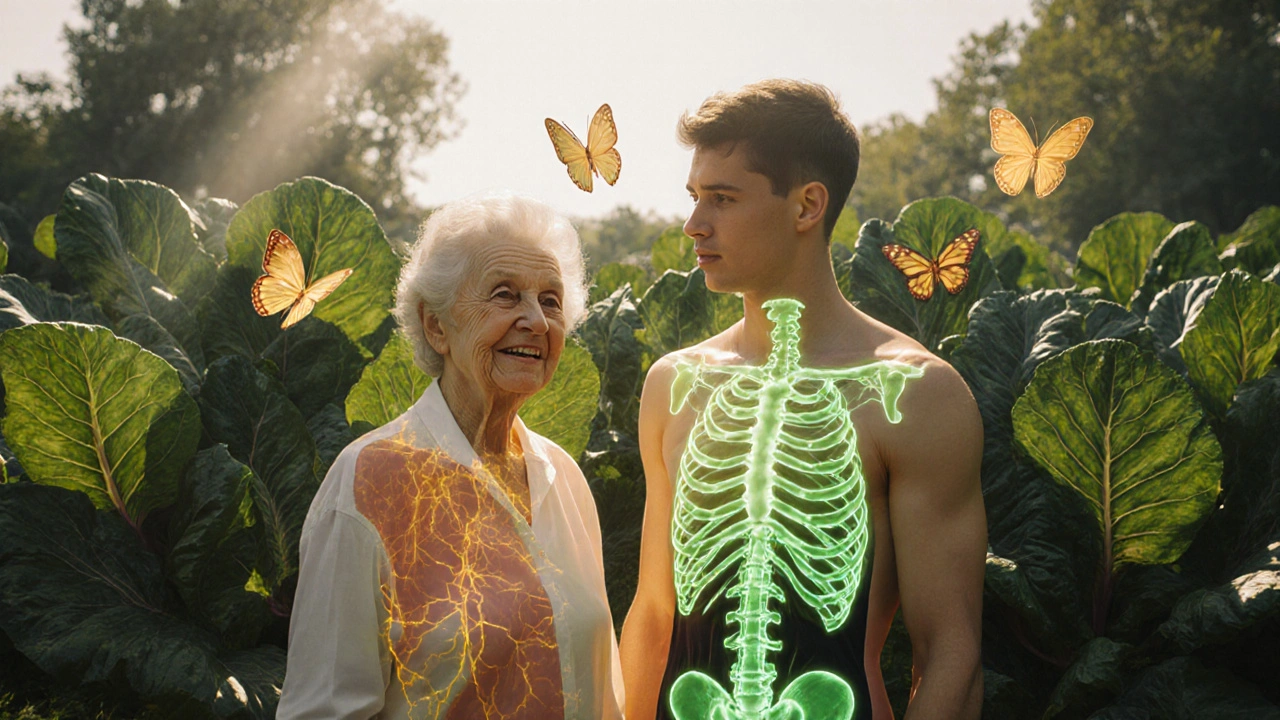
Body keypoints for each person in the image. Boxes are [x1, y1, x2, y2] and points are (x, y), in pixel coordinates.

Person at [619, 80, 986, 720]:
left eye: (722, 199)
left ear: (807, 205)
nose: (694, 224)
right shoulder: (674, 383)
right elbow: (655, 614)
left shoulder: (916, 392)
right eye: (694, 197)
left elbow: (950, 652)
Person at [278, 193, 625, 719]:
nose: (536, 320)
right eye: (505, 295)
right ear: (436, 326)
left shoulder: (564, 478)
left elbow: (604, 695)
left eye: (551, 300)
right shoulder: (368, 482)